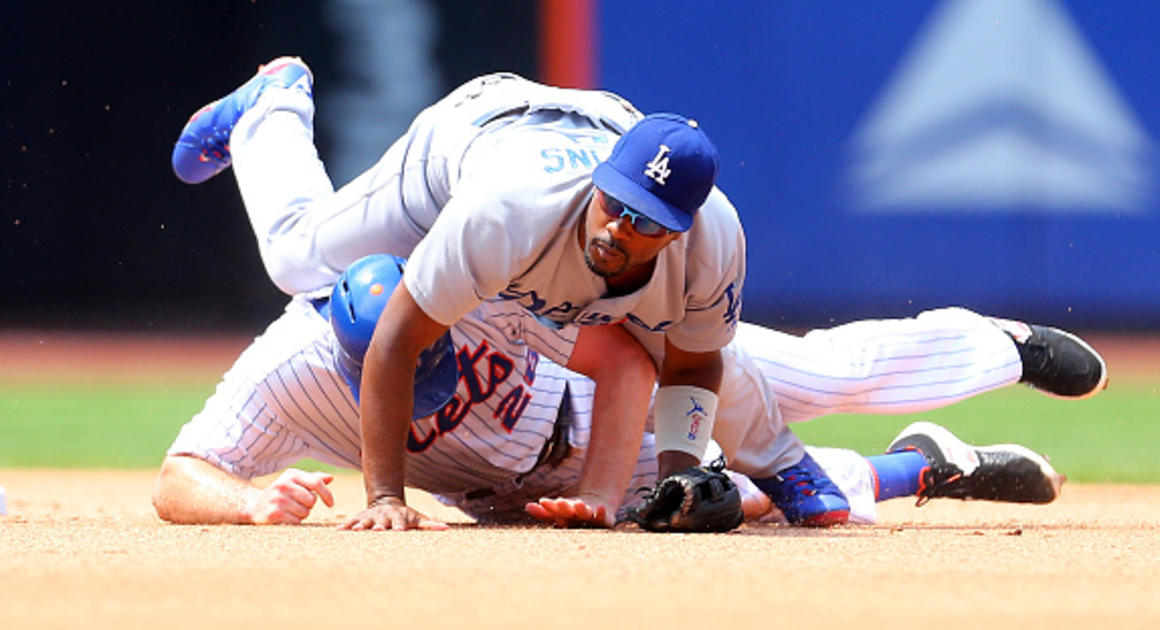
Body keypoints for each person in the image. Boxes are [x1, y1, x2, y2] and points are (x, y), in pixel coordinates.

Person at [169, 56, 819, 528]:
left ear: (684, 228)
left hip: (599, 130)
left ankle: (810, 466)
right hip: (474, 138)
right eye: (617, 203)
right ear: (601, 182)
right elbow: (395, 339)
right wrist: (387, 498)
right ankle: (273, 102)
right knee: (294, 258)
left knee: (724, 353)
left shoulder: (716, 238)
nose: (624, 224)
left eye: (648, 218)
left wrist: (681, 471)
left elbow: (694, 361)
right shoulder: (506, 210)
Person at [151, 254, 1095, 529]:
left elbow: (629, 355)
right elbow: (181, 470)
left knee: (820, 376)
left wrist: (607, 491)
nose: (428, 372)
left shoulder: (466, 283)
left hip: (619, 398)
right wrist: (246, 503)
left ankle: (997, 347)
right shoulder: (292, 365)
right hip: (514, 496)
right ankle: (923, 469)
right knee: (740, 507)